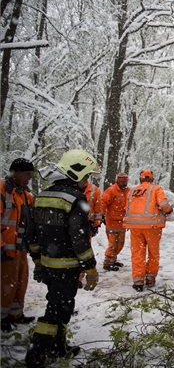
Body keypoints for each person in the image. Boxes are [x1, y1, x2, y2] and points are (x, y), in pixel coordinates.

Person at [25, 149, 100, 367]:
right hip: (66, 267)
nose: (87, 181)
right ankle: (36, 355)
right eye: (86, 176)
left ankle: (58, 347)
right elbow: (79, 240)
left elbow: (32, 234)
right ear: (76, 174)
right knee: (56, 310)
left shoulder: (43, 196)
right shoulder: (75, 199)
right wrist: (91, 268)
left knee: (59, 304)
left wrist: (39, 261)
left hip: (48, 264)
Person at [123, 169, 173, 292]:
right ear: (152, 179)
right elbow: (163, 205)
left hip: (135, 227)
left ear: (140, 179)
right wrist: (169, 210)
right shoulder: (156, 189)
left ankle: (138, 281)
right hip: (152, 227)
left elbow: (127, 207)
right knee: (153, 253)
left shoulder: (132, 191)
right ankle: (150, 279)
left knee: (137, 254)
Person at [1, 158, 35, 332]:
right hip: (5, 249)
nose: (29, 177)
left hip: (20, 248)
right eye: (27, 174)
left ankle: (16, 314)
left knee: (21, 282)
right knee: (6, 285)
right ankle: (2, 318)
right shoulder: (2, 190)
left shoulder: (26, 195)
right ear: (16, 172)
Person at [101, 172, 130, 271]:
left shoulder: (128, 191)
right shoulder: (111, 190)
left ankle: (113, 260)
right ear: (117, 180)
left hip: (122, 223)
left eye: (125, 181)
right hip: (112, 223)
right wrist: (101, 215)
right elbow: (103, 203)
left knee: (120, 244)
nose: (123, 183)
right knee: (113, 244)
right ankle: (107, 263)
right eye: (121, 181)